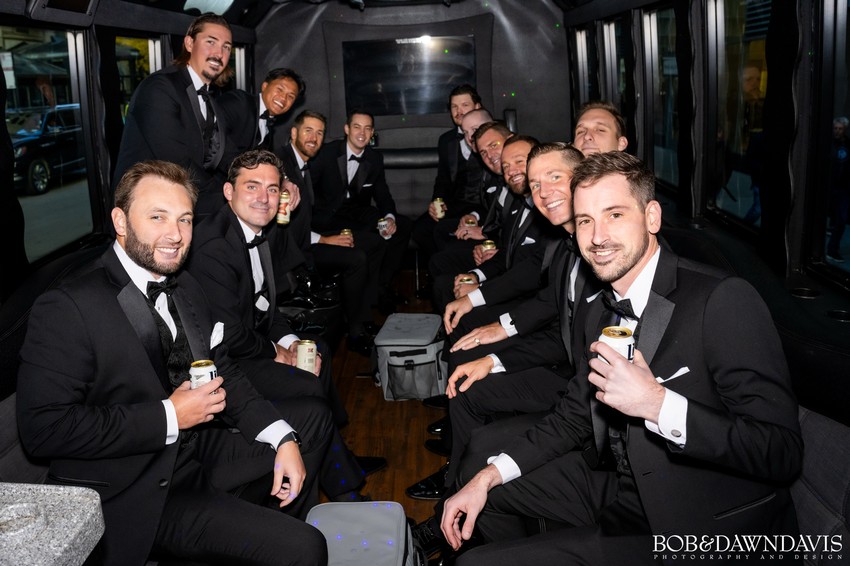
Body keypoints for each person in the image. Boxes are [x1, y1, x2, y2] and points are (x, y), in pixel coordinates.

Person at [441, 152, 803, 565]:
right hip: (623, 489)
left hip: (699, 522)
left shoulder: (721, 300)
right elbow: (574, 415)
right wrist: (488, 477)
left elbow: (782, 452)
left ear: (652, 217)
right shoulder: (603, 307)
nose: (598, 237)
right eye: (585, 221)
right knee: (481, 487)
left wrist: (658, 405)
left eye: (614, 215)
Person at [17, 160, 330, 565]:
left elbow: (223, 371)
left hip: (195, 452)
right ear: (120, 221)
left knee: (310, 423)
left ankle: (268, 524)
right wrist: (170, 416)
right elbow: (43, 429)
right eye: (157, 217)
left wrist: (282, 438)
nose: (175, 234)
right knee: (306, 547)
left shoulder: (185, 286)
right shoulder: (68, 305)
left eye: (184, 219)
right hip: (136, 488)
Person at [187, 149, 386, 502]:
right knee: (308, 387)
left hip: (247, 342)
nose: (263, 198)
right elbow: (229, 333)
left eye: (272, 189)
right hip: (224, 361)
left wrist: (291, 342)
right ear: (229, 192)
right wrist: (276, 352)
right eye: (252, 186)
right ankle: (343, 484)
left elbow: (267, 307)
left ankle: (336, 456)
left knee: (315, 349)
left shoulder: (258, 232)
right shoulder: (214, 246)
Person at [114, 13, 233, 219]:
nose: (219, 53)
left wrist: (266, 178)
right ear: (189, 43)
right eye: (210, 42)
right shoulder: (159, 88)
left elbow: (227, 153)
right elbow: (177, 163)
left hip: (181, 201)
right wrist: (230, 194)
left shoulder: (211, 100)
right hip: (145, 208)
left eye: (226, 47)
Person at [280, 110, 378, 354]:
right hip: (292, 252)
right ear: (294, 133)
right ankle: (354, 331)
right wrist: (324, 239)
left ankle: (361, 314)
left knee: (371, 243)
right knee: (356, 258)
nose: (314, 138)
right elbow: (285, 228)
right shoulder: (283, 166)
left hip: (308, 239)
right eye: (308, 131)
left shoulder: (303, 165)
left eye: (320, 133)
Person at [309, 109, 412, 311]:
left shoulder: (374, 158)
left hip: (358, 214)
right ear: (347, 129)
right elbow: (308, 192)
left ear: (372, 132)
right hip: (327, 217)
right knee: (370, 240)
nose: (362, 133)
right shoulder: (326, 153)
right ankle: (361, 298)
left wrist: (389, 217)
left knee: (403, 226)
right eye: (357, 127)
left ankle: (380, 287)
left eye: (367, 128)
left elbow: (382, 194)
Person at [412, 84, 484, 260]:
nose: (459, 111)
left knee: (444, 233)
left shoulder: (491, 138)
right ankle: (443, 267)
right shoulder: (446, 140)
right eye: (454, 107)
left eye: (465, 105)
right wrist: (436, 202)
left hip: (484, 206)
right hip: (454, 204)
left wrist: (476, 215)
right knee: (420, 230)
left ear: (477, 107)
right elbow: (442, 179)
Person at [827, 116, 850, 262]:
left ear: (845, 130)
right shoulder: (828, 143)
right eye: (835, 128)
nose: (837, 131)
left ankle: (832, 249)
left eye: (840, 129)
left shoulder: (848, 145)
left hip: (843, 188)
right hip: (829, 187)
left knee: (841, 220)